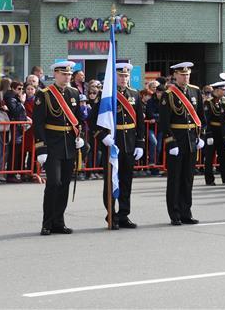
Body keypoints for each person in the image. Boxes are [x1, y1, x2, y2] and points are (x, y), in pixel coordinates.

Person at [33, 61, 88, 235]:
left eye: (69, 74)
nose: (67, 77)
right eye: (64, 74)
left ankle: (59, 221)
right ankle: (47, 222)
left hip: (69, 145)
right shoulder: (45, 94)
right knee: (53, 183)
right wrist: (41, 147)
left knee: (64, 184)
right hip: (52, 145)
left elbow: (78, 120)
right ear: (55, 74)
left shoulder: (74, 93)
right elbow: (38, 123)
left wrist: (80, 138)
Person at [91, 62, 145, 229]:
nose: (124, 78)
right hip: (112, 144)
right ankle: (111, 215)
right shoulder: (106, 94)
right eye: (121, 76)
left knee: (126, 181)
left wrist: (140, 143)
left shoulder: (134, 94)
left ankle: (123, 214)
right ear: (115, 77)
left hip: (128, 144)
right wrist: (102, 136)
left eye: (126, 76)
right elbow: (93, 121)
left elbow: (140, 122)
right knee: (111, 181)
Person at [159, 62, 205, 226]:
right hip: (177, 140)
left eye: (187, 74)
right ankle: (175, 213)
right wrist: (171, 142)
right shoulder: (168, 94)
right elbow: (164, 122)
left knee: (188, 179)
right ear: (175, 76)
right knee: (175, 179)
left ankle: (186, 212)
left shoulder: (195, 91)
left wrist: (201, 136)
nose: (185, 77)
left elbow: (201, 117)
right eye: (182, 74)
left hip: (192, 140)